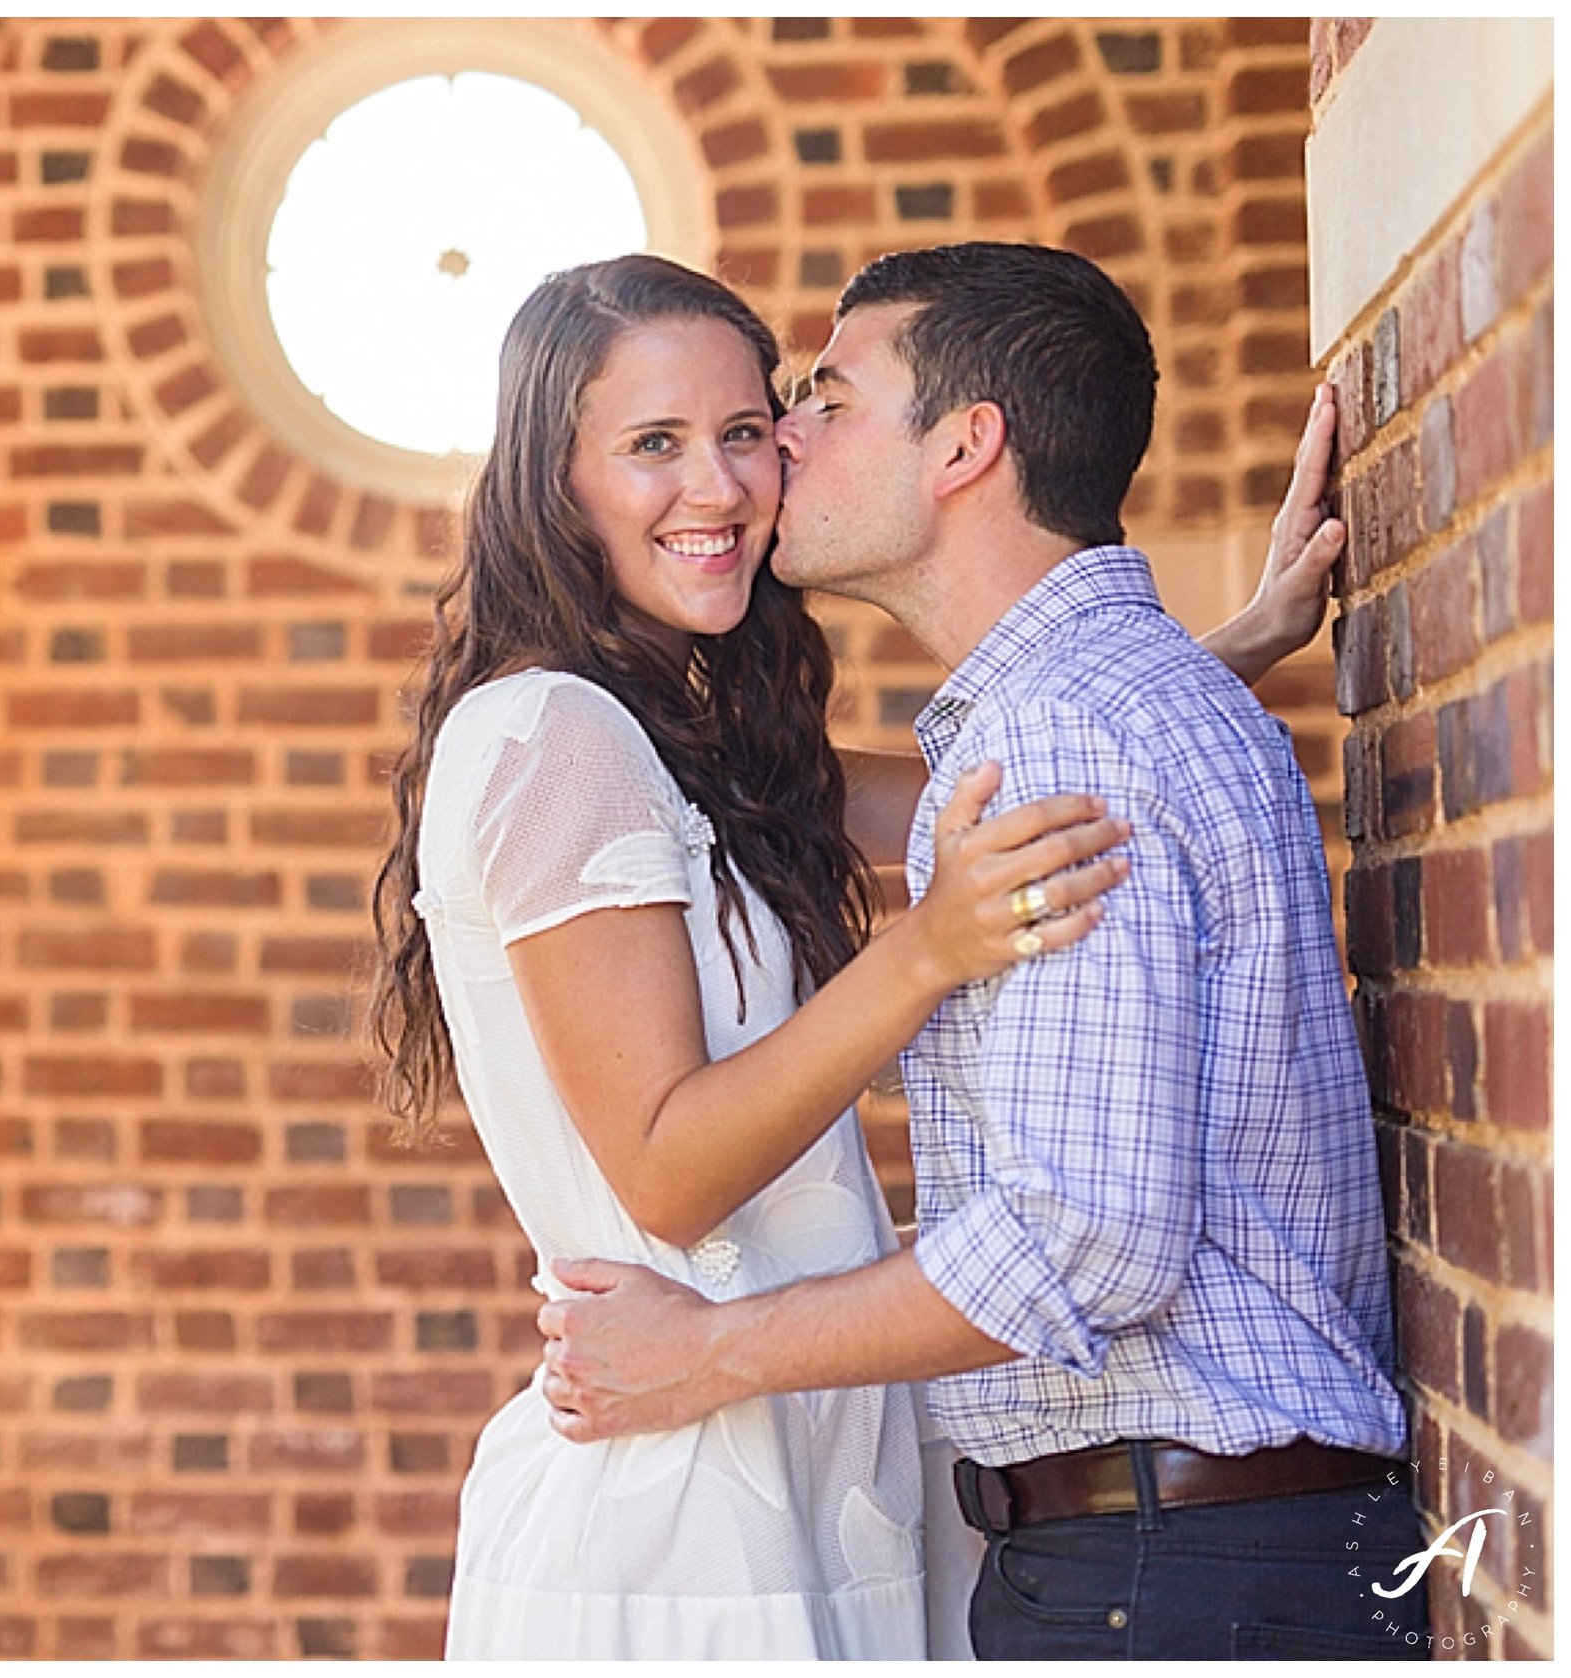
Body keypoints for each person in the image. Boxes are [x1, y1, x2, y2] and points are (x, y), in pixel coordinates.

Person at [367, 253, 1340, 1660]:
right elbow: (665, 1162)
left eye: (747, 429)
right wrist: (926, 955)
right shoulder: (554, 739)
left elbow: (1006, 782)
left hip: (819, 1453)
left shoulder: (691, 745)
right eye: (653, 445)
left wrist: (1227, 648)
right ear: (551, 480)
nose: (721, 486)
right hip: (689, 1490)